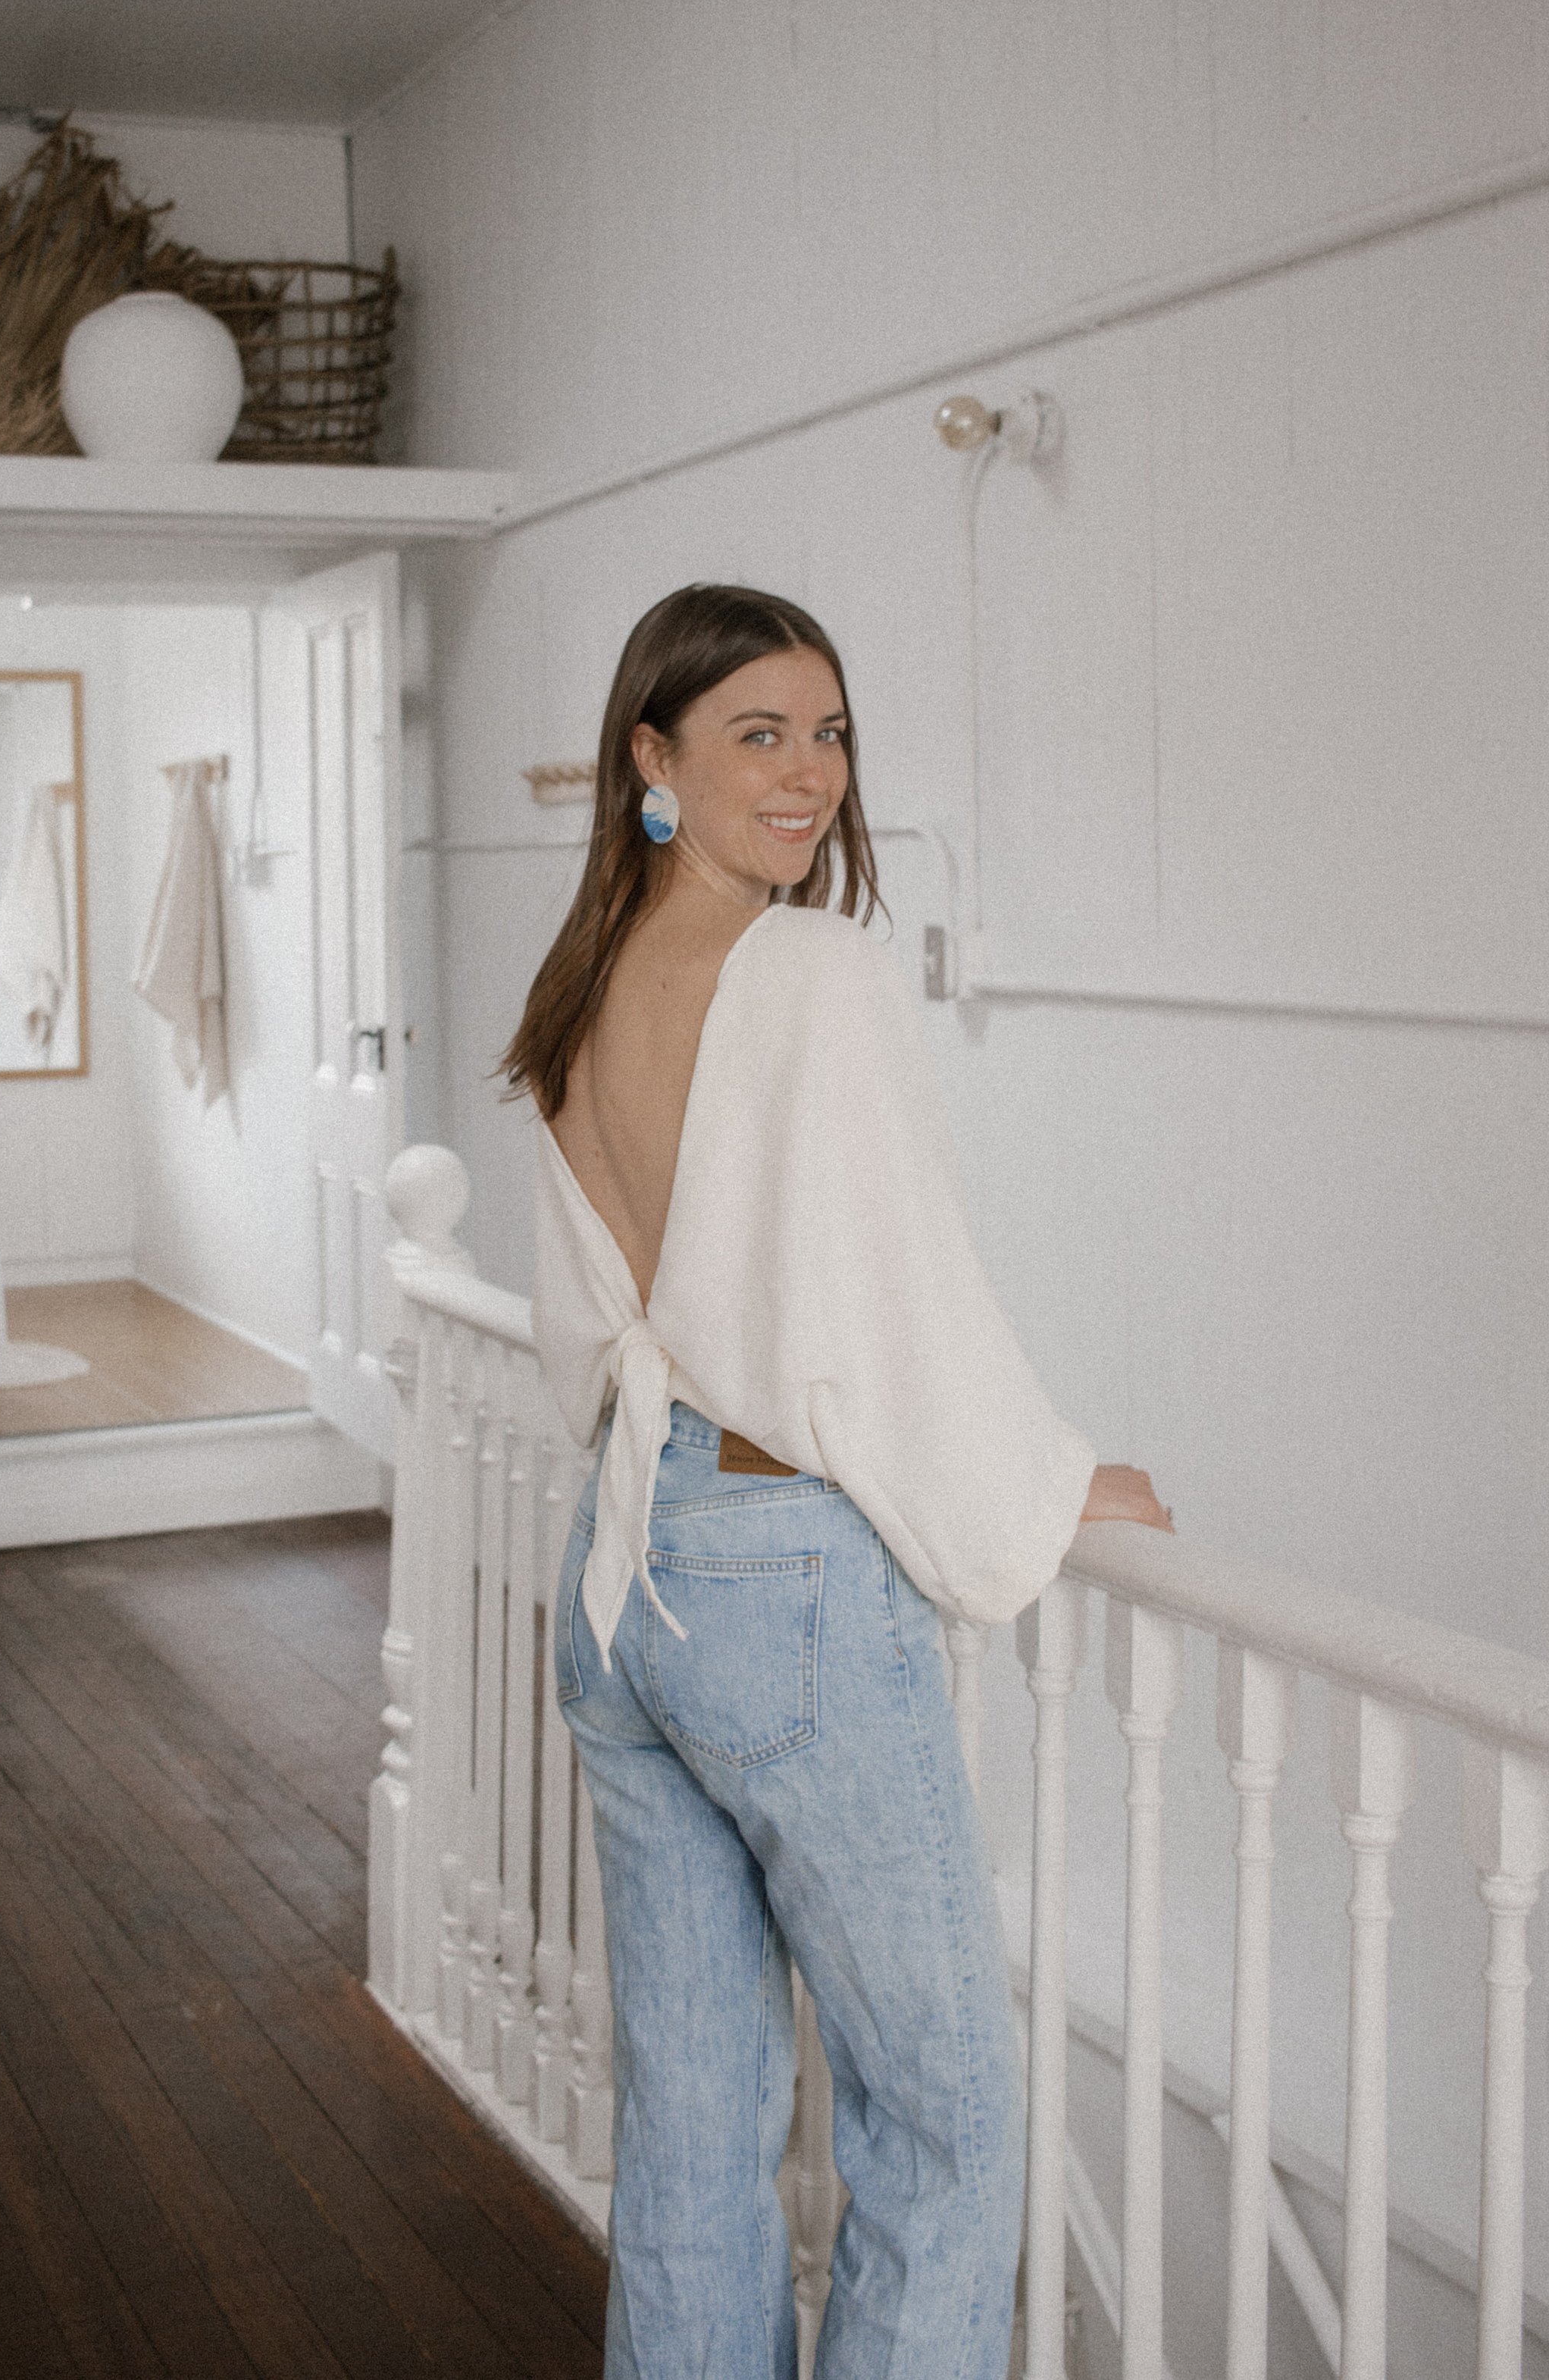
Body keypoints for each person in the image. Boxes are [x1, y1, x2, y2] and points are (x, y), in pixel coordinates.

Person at [502, 584, 1170, 2380]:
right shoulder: (808, 969)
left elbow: (599, 1327)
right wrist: (1042, 1482)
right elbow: (893, 1292)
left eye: (829, 733)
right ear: (652, 758)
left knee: (698, 2125)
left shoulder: (579, 983)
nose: (808, 777)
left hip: (626, 1575)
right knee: (942, 2115)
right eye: (755, 736)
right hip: (777, 1581)